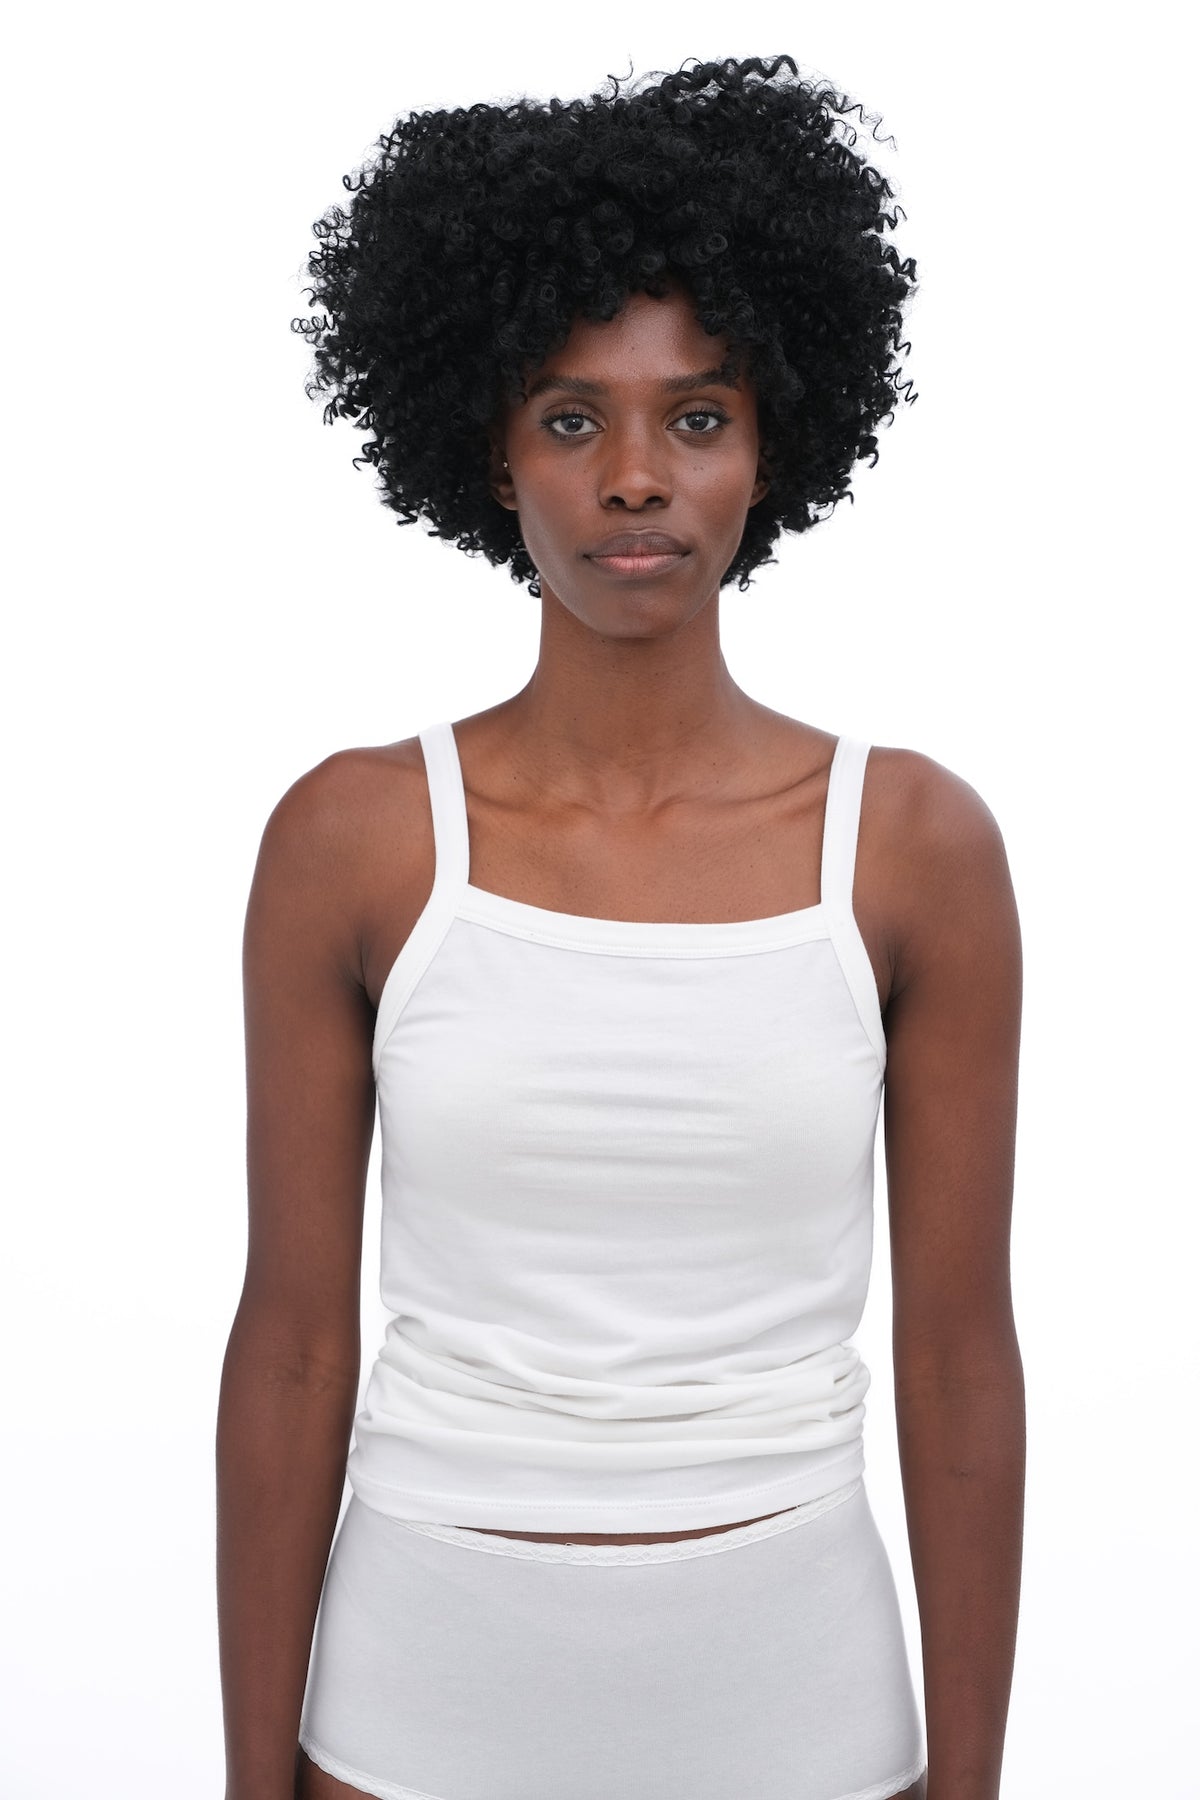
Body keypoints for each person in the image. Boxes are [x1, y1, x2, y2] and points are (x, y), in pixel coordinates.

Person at [216, 53, 1025, 1800]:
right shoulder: (354, 842)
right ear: (489, 451)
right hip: (415, 1710)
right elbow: (290, 1345)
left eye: (698, 418)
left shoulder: (911, 850)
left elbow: (960, 1360)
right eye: (573, 420)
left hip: (802, 1713)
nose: (637, 477)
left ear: (771, 445)